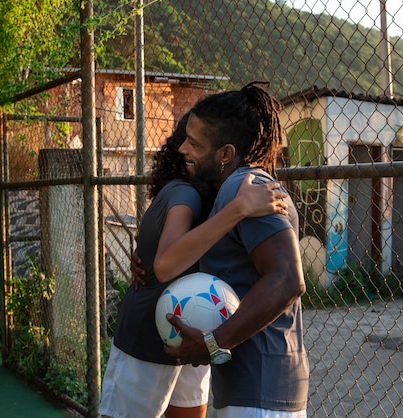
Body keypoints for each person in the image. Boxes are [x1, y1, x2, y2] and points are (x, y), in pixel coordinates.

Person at [99, 112, 288, 418]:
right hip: (148, 336)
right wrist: (240, 209)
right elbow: (164, 262)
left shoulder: (214, 195)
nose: (184, 149)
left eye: (194, 142)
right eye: (185, 140)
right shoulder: (186, 193)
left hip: (194, 331)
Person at [157, 82, 309, 417]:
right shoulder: (230, 195)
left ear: (225, 153)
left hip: (260, 392)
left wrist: (213, 342)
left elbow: (287, 279)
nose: (182, 148)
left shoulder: (250, 190)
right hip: (246, 390)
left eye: (194, 143)